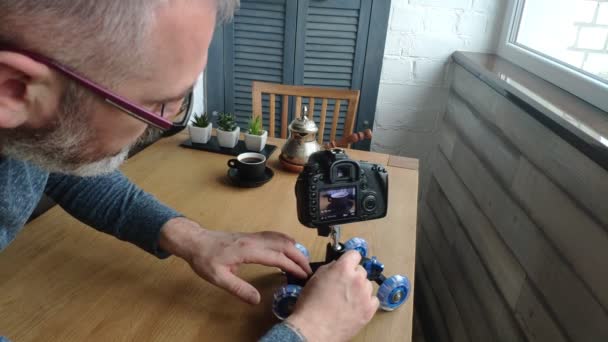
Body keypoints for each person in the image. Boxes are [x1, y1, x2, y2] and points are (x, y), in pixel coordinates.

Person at [0, 1, 379, 341]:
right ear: (14, 88)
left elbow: (60, 162)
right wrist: (310, 332)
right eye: (159, 105)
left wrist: (191, 237)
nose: (161, 124)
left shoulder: (30, 133)